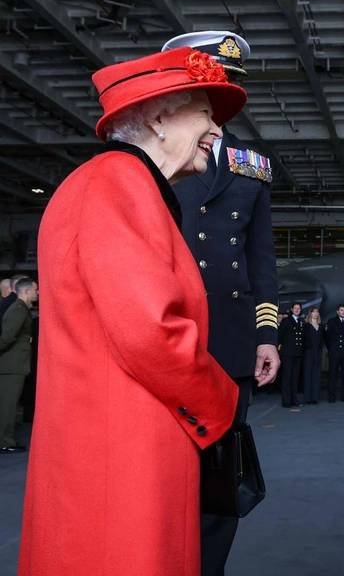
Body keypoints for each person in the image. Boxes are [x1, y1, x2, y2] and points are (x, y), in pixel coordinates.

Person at [19, 46, 244, 576]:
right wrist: (223, 403)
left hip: (115, 448)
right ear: (160, 117)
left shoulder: (119, 185)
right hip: (119, 460)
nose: (218, 131)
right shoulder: (117, 183)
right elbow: (150, 331)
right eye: (207, 113)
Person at [163, 30, 281, 576]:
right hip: (169, 336)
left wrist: (267, 335)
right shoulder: (155, 155)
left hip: (230, 344)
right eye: (209, 78)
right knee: (164, 475)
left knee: (219, 479)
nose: (221, 90)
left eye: (229, 81)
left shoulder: (252, 167)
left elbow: (262, 262)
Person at [0, 277, 37, 453]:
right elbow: (7, 337)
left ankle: (6, 440)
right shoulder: (18, 310)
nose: (37, 293)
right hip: (11, 366)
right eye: (35, 290)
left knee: (8, 405)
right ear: (26, 291)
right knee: (8, 406)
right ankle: (5, 442)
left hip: (13, 365)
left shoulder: (21, 309)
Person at [325, 303, 344, 402]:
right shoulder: (331, 321)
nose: (343, 312)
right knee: (333, 375)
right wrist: (331, 349)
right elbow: (327, 338)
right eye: (341, 310)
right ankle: (331, 397)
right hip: (335, 351)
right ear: (337, 311)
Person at [278, 302, 305, 407]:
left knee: (295, 378)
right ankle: (286, 401)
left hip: (297, 353)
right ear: (292, 309)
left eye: (299, 308)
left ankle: (294, 400)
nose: (297, 310)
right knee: (287, 377)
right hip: (287, 353)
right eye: (296, 308)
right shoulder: (286, 321)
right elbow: (280, 336)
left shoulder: (301, 321)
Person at [302, 307, 324, 404]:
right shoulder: (306, 326)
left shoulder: (321, 326)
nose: (316, 313)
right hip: (309, 353)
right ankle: (307, 398)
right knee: (308, 375)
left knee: (316, 375)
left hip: (318, 353)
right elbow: (303, 340)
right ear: (310, 313)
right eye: (313, 312)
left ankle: (315, 398)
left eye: (317, 312)